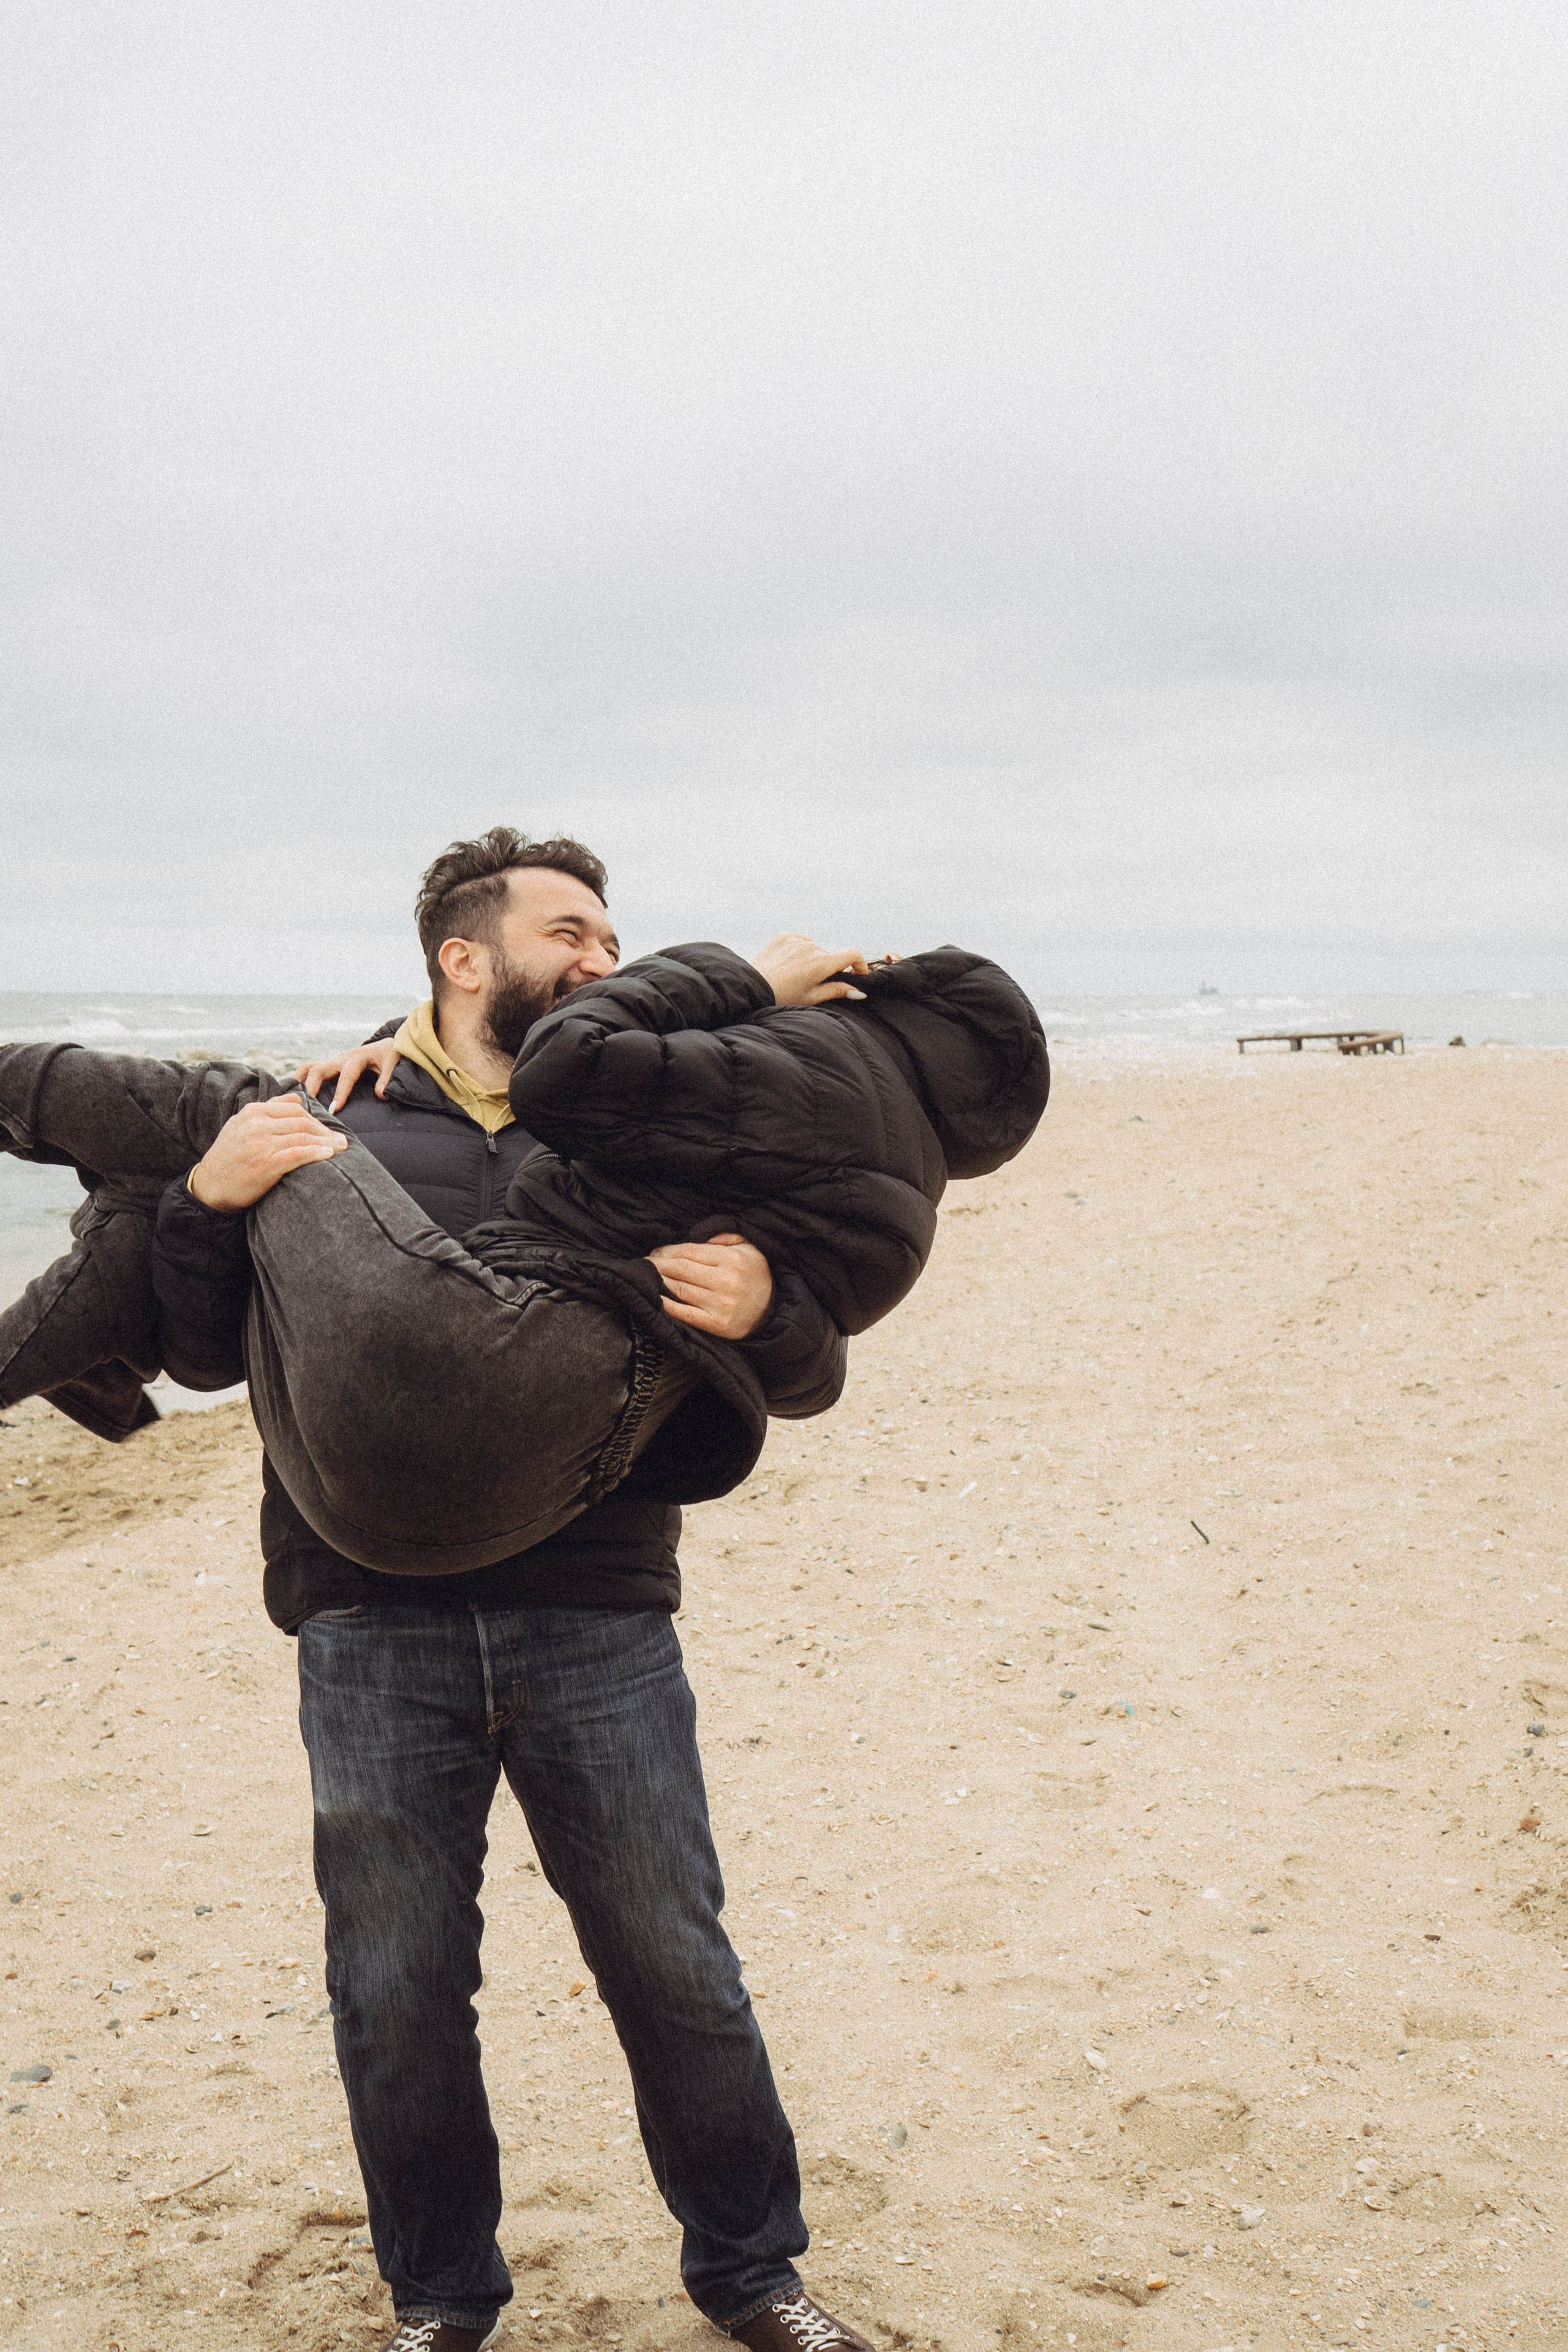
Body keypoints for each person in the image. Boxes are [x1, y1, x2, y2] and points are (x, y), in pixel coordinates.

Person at [0, 827, 1048, 2352]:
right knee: (397, 1984)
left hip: (599, 1603)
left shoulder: (662, 1114)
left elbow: (813, 1353)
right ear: (464, 957)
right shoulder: (330, 1106)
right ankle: (441, 2296)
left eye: (615, 934)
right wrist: (204, 1198)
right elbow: (209, 1348)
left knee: (673, 1961)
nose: (602, 954)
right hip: (368, 1612)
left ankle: (751, 2271)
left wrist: (770, 1310)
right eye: (570, 930)